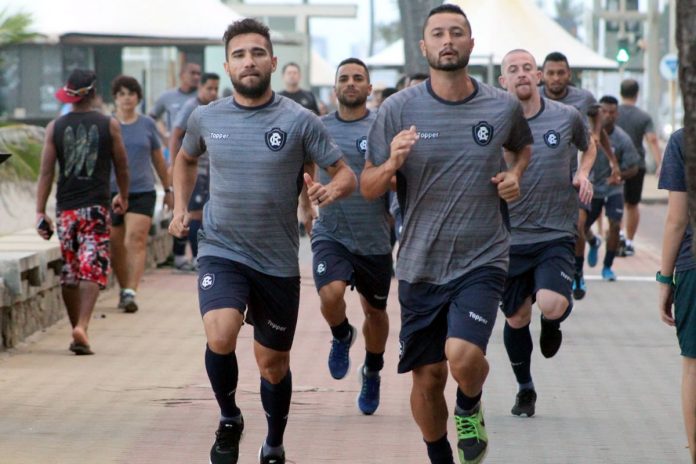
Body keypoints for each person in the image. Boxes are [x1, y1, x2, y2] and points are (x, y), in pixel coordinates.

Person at [168, 18, 356, 464]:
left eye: (256, 53)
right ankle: (230, 417)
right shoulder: (206, 117)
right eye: (238, 54)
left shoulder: (299, 121)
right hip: (221, 248)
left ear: (271, 61)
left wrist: (329, 190)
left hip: (276, 260)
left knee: (273, 365)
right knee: (221, 332)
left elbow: (345, 171)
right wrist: (179, 208)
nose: (248, 61)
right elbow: (184, 158)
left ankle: (273, 442)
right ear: (227, 64)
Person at [361, 5, 533, 464]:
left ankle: (470, 406)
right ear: (424, 46)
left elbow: (523, 146)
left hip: (482, 256)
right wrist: (392, 164)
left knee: (461, 356)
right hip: (419, 263)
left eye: (457, 32)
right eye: (438, 33)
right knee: (428, 378)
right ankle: (439, 454)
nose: (448, 40)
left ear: (471, 44)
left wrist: (515, 174)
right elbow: (367, 185)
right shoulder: (397, 110)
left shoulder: (500, 106)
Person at [497, 49, 595, 417]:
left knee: (552, 302)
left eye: (527, 68)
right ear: (502, 81)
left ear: (537, 76)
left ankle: (551, 323)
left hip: (555, 231)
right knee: (516, 318)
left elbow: (589, 145)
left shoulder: (565, 116)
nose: (521, 74)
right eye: (513, 70)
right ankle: (525, 389)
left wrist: (583, 173)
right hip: (508, 238)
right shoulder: (494, 123)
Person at [310, 57, 392, 415]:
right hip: (332, 232)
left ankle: (372, 369)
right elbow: (303, 172)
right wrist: (304, 210)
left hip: (374, 238)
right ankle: (342, 334)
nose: (351, 83)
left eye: (359, 78)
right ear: (335, 87)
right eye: (344, 78)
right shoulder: (318, 128)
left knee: (375, 313)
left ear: (369, 88)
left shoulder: (382, 128)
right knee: (330, 294)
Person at [35, 69, 129, 354]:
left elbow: (46, 173)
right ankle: (83, 327)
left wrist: (40, 212)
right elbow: (122, 166)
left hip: (66, 211)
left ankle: (75, 327)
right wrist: (122, 196)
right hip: (96, 208)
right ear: (93, 93)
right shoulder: (109, 124)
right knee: (93, 266)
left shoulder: (55, 126)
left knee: (70, 270)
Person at [540, 51, 620, 300]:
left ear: (568, 74)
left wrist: (608, 156)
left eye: (560, 73)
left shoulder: (583, 98)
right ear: (542, 76)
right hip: (542, 177)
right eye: (550, 73)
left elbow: (598, 121)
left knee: (578, 224)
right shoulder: (533, 96)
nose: (555, 78)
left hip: (578, 174)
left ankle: (577, 272)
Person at [109, 75, 172, 313]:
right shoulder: (107, 124)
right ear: (115, 98)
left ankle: (131, 291)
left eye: (132, 93)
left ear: (138, 98)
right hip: (112, 191)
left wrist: (168, 189)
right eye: (122, 94)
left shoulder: (146, 124)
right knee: (116, 246)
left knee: (134, 239)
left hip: (142, 191)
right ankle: (124, 288)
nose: (127, 98)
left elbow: (158, 159)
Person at [657, 128, 696, 464]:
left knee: (694, 366)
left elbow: (676, 219)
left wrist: (665, 277)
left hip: (693, 266)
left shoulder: (684, 139)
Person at [150, 62, 202, 271]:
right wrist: (164, 136)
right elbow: (152, 117)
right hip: (176, 157)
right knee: (178, 202)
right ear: (182, 75)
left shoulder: (203, 97)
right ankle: (178, 254)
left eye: (199, 73)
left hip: (197, 160)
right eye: (192, 73)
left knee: (197, 208)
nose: (196, 77)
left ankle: (193, 255)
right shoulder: (168, 97)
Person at [584, 96, 639, 281]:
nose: (608, 115)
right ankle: (593, 241)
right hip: (591, 188)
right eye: (604, 111)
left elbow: (634, 167)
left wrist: (619, 176)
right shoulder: (586, 133)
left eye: (612, 112)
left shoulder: (623, 139)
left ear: (617, 114)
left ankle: (607, 267)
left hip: (613, 189)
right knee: (581, 226)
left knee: (615, 224)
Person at [169, 72, 220, 262]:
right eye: (209, 88)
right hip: (193, 168)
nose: (213, 92)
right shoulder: (191, 107)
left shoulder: (215, 107)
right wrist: (174, 165)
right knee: (194, 213)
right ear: (200, 88)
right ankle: (189, 257)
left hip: (209, 169)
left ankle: (194, 256)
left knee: (204, 212)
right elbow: (175, 135)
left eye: (216, 88)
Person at [616, 78, 662, 256]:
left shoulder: (613, 113)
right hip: (637, 165)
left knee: (616, 201)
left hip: (616, 165)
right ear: (637, 94)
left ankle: (617, 234)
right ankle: (629, 241)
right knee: (632, 204)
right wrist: (660, 164)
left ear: (621, 93)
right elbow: (652, 140)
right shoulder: (644, 117)